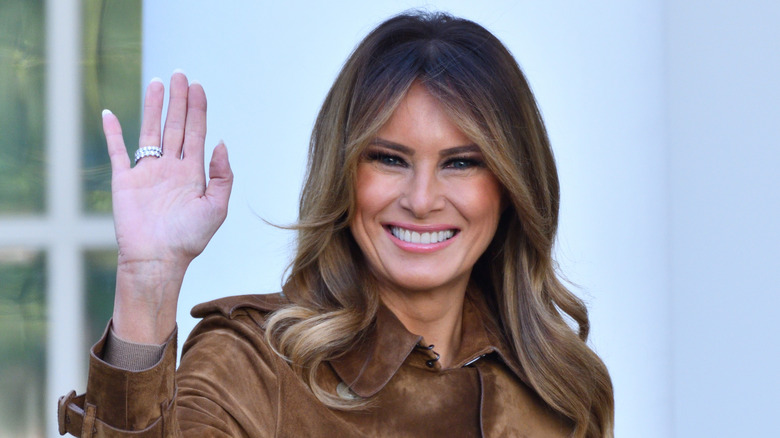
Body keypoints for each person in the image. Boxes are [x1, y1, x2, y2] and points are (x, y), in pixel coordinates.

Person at [57, 11, 614, 438]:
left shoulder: (562, 389)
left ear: (512, 185)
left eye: (461, 162)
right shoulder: (252, 363)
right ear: (344, 175)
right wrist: (147, 285)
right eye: (389, 159)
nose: (421, 200)